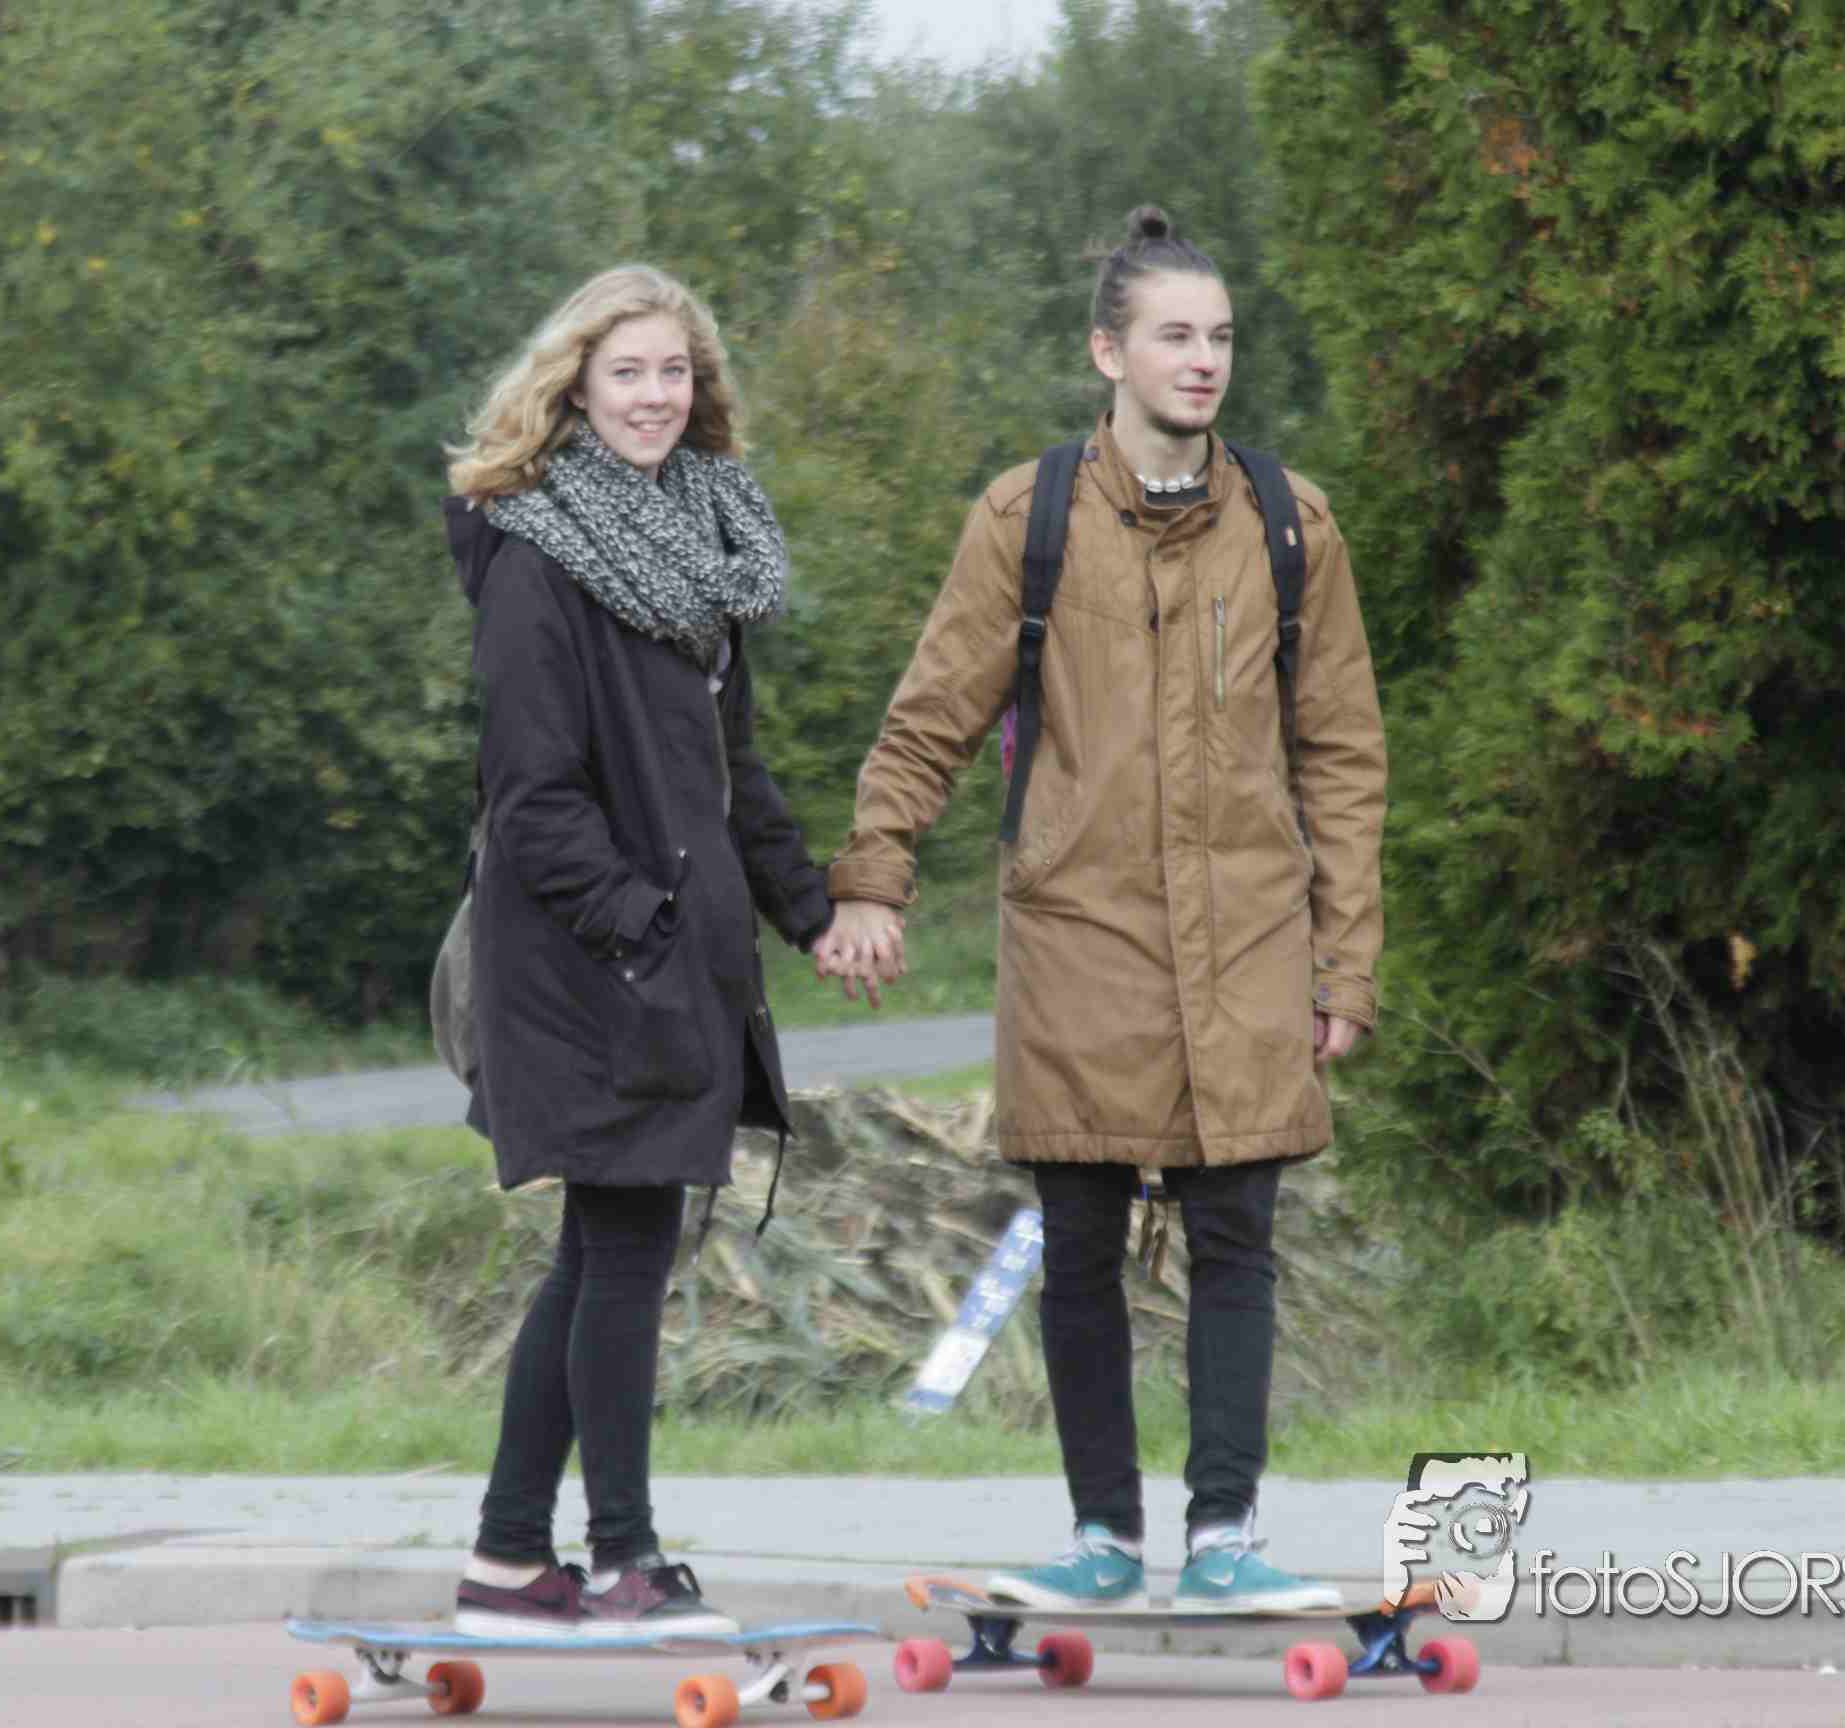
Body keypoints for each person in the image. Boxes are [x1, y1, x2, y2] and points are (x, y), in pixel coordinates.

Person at [814, 207, 1387, 1611]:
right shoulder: (1028, 518)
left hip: (1249, 938)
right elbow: (931, 717)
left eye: (1221, 337)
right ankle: (1102, 1541)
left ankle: (1225, 1540)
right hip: (1077, 936)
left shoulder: (1292, 525)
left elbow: (1343, 755)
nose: (1204, 360)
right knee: (1078, 1246)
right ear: (1107, 352)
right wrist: (873, 876)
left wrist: (1346, 959)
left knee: (1236, 1236)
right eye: (1175, 336)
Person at [440, 264, 834, 1636]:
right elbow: (531, 798)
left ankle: (508, 1558)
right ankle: (620, 1557)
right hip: (585, 962)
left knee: (604, 1250)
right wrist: (647, 929)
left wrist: (812, 911)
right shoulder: (539, 555)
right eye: (628, 374)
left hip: (658, 958)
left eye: (674, 372)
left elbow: (734, 773)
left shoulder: (702, 552)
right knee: (621, 1248)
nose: (655, 396)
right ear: (575, 388)